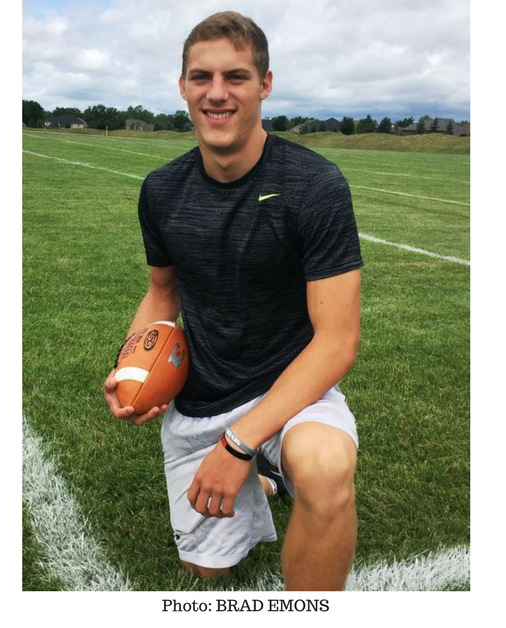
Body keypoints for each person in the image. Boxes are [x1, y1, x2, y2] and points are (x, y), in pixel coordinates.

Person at [102, 11, 362, 591]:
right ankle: (267, 479)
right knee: (207, 567)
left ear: (264, 84)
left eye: (236, 77)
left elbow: (338, 340)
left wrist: (239, 443)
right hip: (204, 397)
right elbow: (161, 293)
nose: (217, 93)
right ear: (183, 86)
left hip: (292, 388)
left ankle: (273, 466)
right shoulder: (162, 191)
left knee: (325, 468)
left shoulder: (315, 185)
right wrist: (132, 365)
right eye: (202, 77)